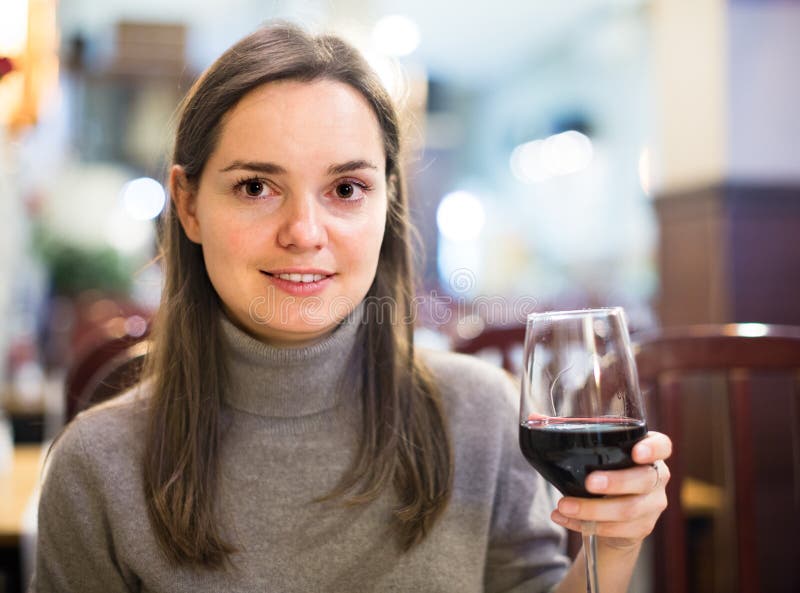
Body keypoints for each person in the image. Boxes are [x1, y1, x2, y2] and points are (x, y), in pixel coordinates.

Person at [30, 22, 672, 593]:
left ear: (385, 202)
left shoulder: (482, 416)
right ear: (189, 204)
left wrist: (609, 547)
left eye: (345, 188)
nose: (305, 231)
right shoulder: (96, 466)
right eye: (256, 186)